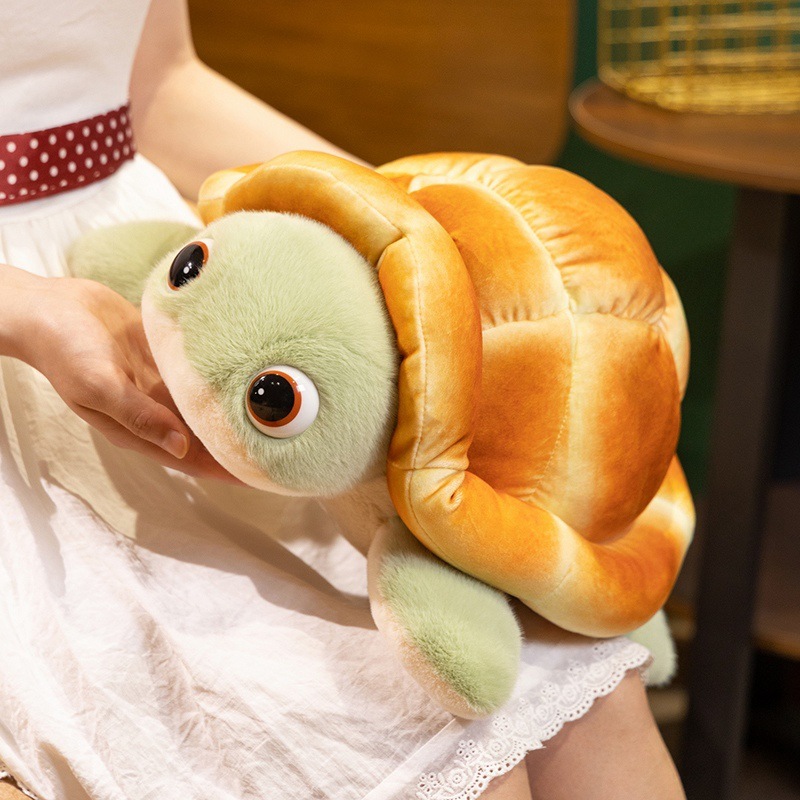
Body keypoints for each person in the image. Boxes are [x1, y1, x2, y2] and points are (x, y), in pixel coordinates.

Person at [0, 1, 685, 798]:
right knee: (418, 735)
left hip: (154, 269)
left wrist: (420, 231)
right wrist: (23, 309)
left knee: (586, 682)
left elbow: (155, 85)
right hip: (35, 341)